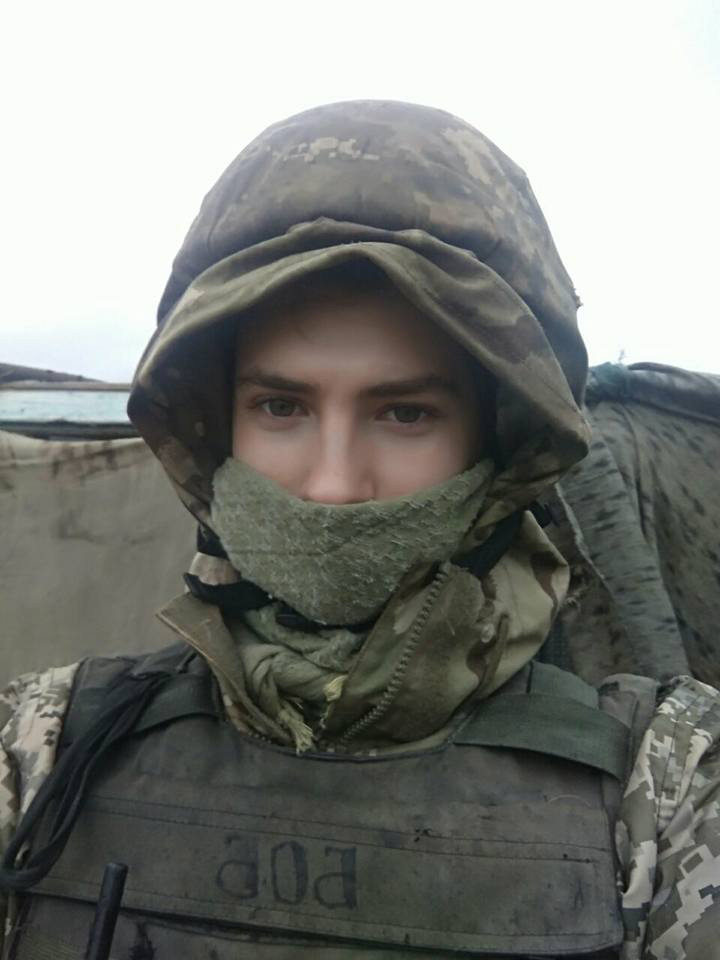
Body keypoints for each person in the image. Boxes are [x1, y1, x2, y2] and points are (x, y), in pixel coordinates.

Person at [1, 100, 719, 959]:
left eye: (404, 413)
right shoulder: (37, 748)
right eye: (281, 407)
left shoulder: (668, 788)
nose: (335, 486)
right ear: (215, 428)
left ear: (501, 441)